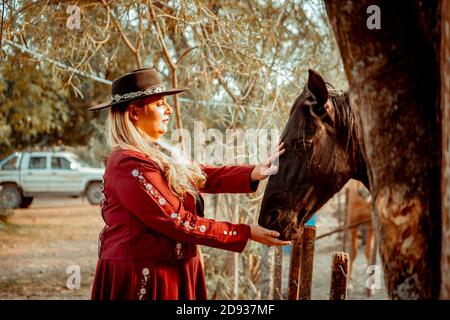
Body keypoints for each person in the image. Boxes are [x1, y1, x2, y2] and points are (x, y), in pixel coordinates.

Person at [89, 68, 289, 300]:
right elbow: (178, 222)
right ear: (134, 112)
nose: (168, 109)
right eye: (159, 103)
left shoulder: (153, 153)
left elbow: (197, 175)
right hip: (145, 274)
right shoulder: (129, 164)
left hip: (169, 268)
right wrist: (244, 233)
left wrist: (253, 172)